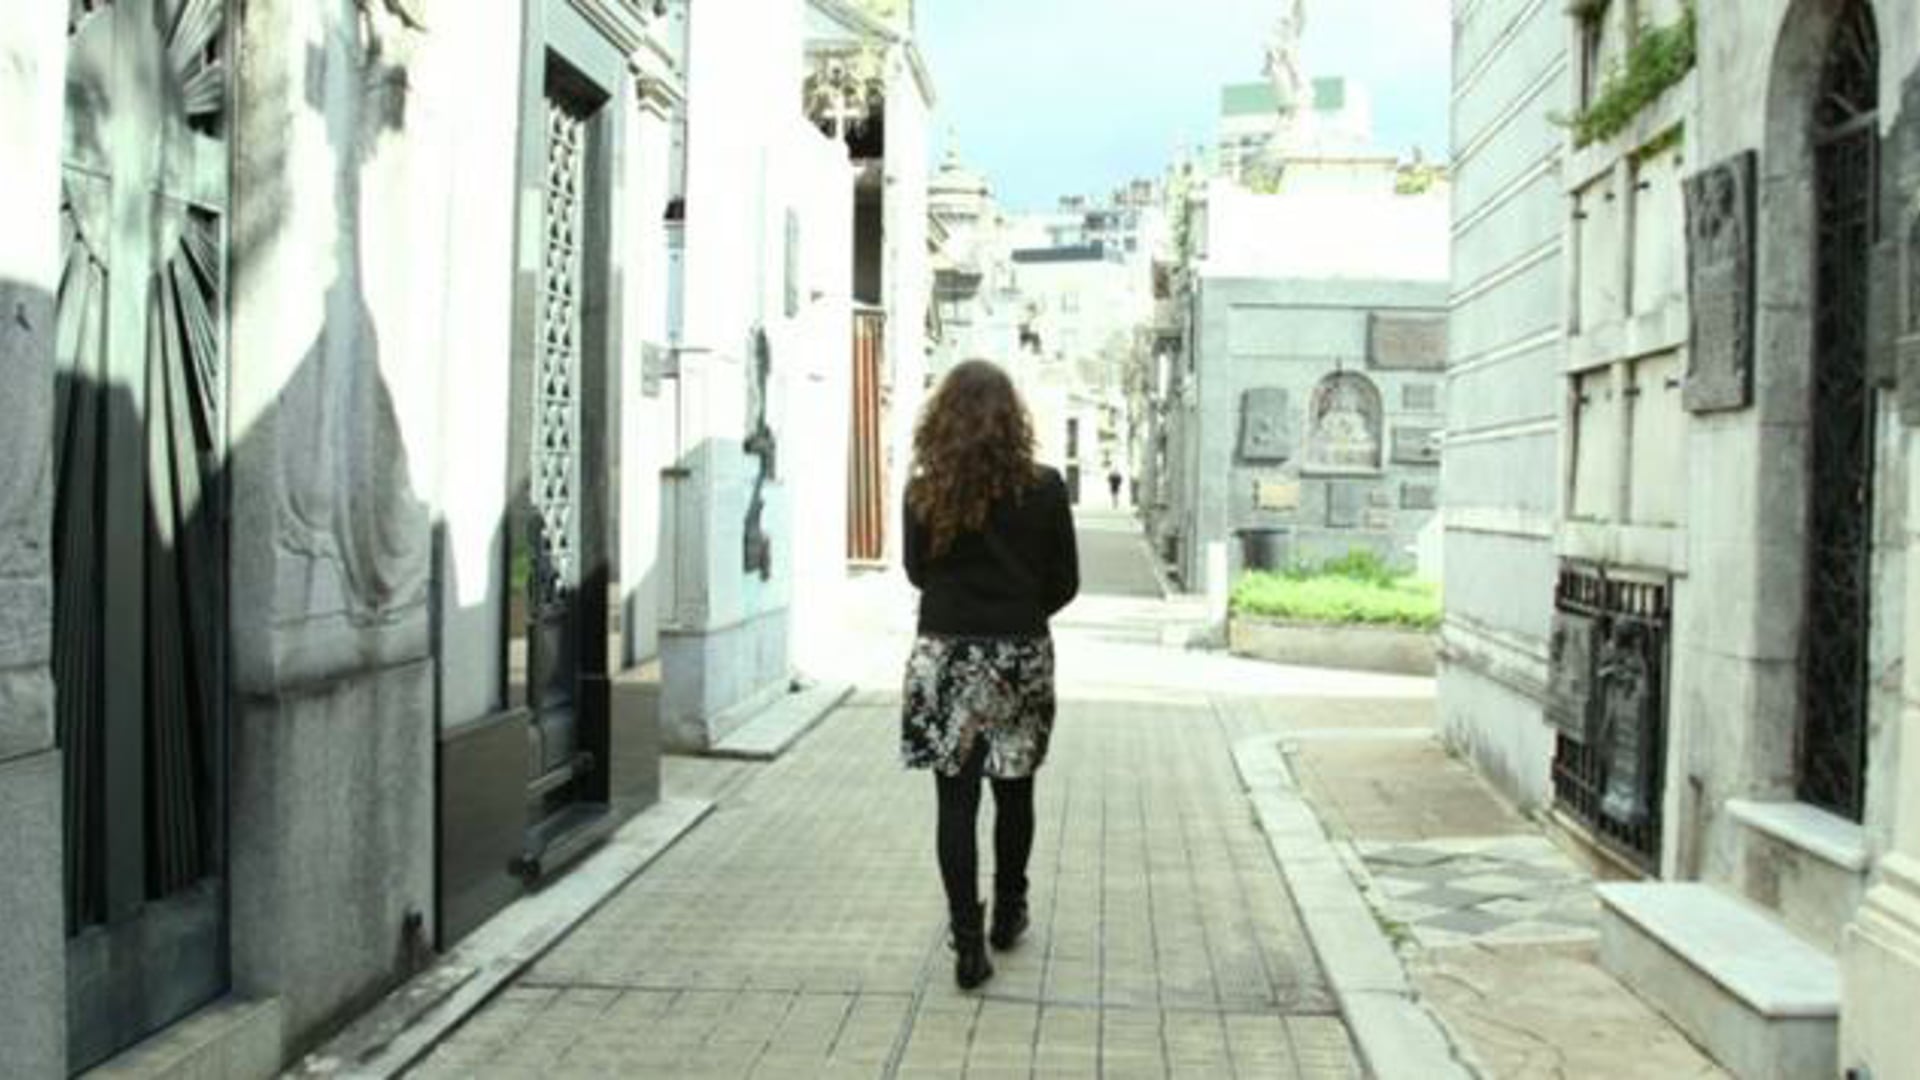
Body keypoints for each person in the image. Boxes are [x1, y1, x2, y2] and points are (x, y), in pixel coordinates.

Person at [902, 359, 1079, 991]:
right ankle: (1009, 910)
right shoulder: (1047, 485)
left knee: (955, 801)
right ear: (1013, 419)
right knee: (1015, 789)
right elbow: (1067, 580)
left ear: (942, 419)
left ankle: (967, 942)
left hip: (946, 655)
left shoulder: (925, 488)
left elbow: (917, 572)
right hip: (1019, 654)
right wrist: (1021, 613)